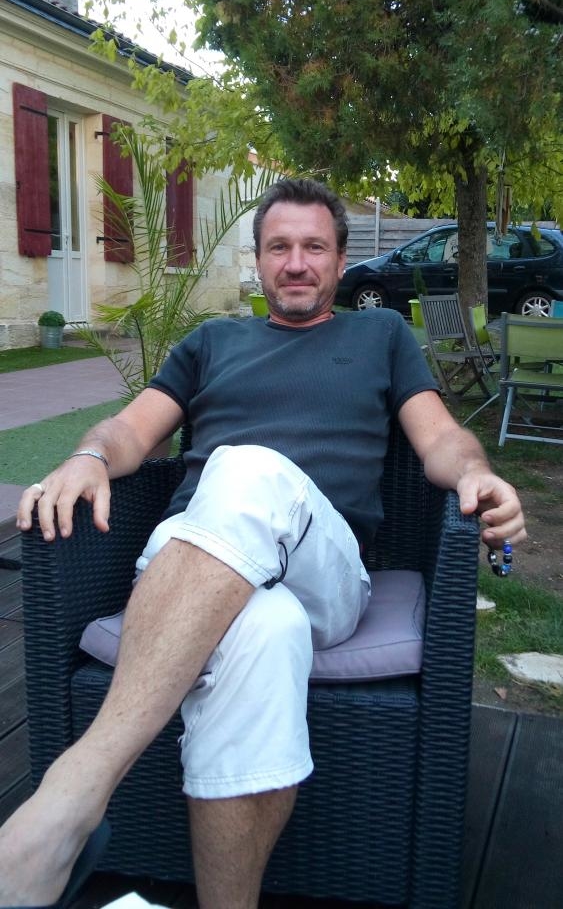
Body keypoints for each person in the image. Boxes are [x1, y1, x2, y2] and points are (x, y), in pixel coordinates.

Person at [0, 179, 526, 909]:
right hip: (197, 559)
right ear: (258, 259)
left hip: (325, 571)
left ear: (340, 260)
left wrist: (475, 473)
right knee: (265, 630)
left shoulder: (381, 336)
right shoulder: (212, 342)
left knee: (247, 467)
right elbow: (128, 431)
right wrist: (88, 457)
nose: (297, 263)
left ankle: (69, 799)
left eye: (314, 247)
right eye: (279, 247)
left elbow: (440, 438)